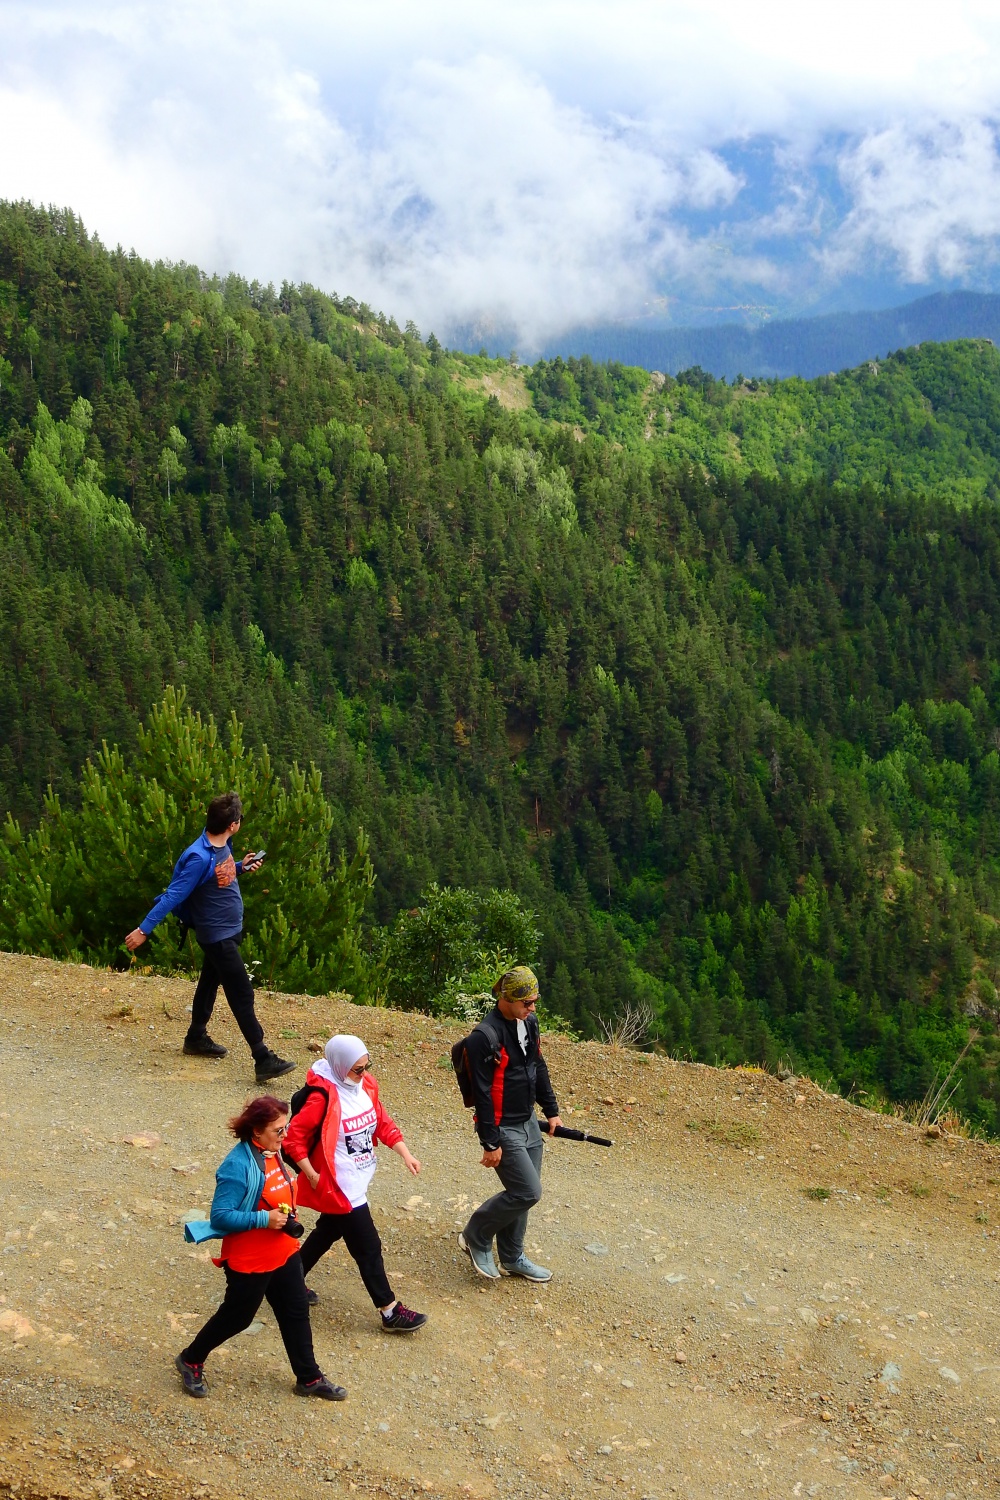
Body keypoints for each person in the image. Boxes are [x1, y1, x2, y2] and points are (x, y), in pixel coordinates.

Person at [175, 1094, 346, 1400]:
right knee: (237, 1317)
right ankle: (190, 1359)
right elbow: (221, 1216)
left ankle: (308, 1378)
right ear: (256, 1131)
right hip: (250, 1258)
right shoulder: (236, 1165)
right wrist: (263, 1219)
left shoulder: (271, 1151)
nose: (285, 1135)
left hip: (284, 1250)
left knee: (296, 1311)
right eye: (278, 1130)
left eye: (286, 1127)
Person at [124, 790, 293, 1084]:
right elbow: (172, 895)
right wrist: (143, 930)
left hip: (228, 931)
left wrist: (241, 866)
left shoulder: (218, 845)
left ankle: (195, 1037)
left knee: (209, 982)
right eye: (239, 818)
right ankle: (262, 1057)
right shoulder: (198, 857)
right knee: (242, 993)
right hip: (218, 937)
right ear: (233, 825)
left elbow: (217, 877)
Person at [283, 1034, 429, 1334]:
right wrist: (311, 1174)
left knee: (326, 1233)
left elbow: (382, 1122)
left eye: (365, 1066)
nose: (363, 1073)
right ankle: (390, 1311)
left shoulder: (366, 1086)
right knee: (368, 1247)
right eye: (357, 1069)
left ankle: (286, 1283)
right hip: (340, 1186)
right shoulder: (320, 1097)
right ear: (339, 1065)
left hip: (358, 1177)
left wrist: (405, 1153)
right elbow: (293, 1139)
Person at [458, 965, 563, 1283]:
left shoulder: (529, 1022)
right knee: (527, 1191)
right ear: (507, 998)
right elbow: (483, 1094)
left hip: (528, 1120)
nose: (532, 1008)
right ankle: (475, 1236)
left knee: (521, 1192)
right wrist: (490, 1142)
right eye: (527, 1002)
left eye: (534, 1001)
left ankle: (512, 1256)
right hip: (503, 1126)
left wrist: (551, 1109)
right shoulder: (483, 1038)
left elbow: (537, 1065)